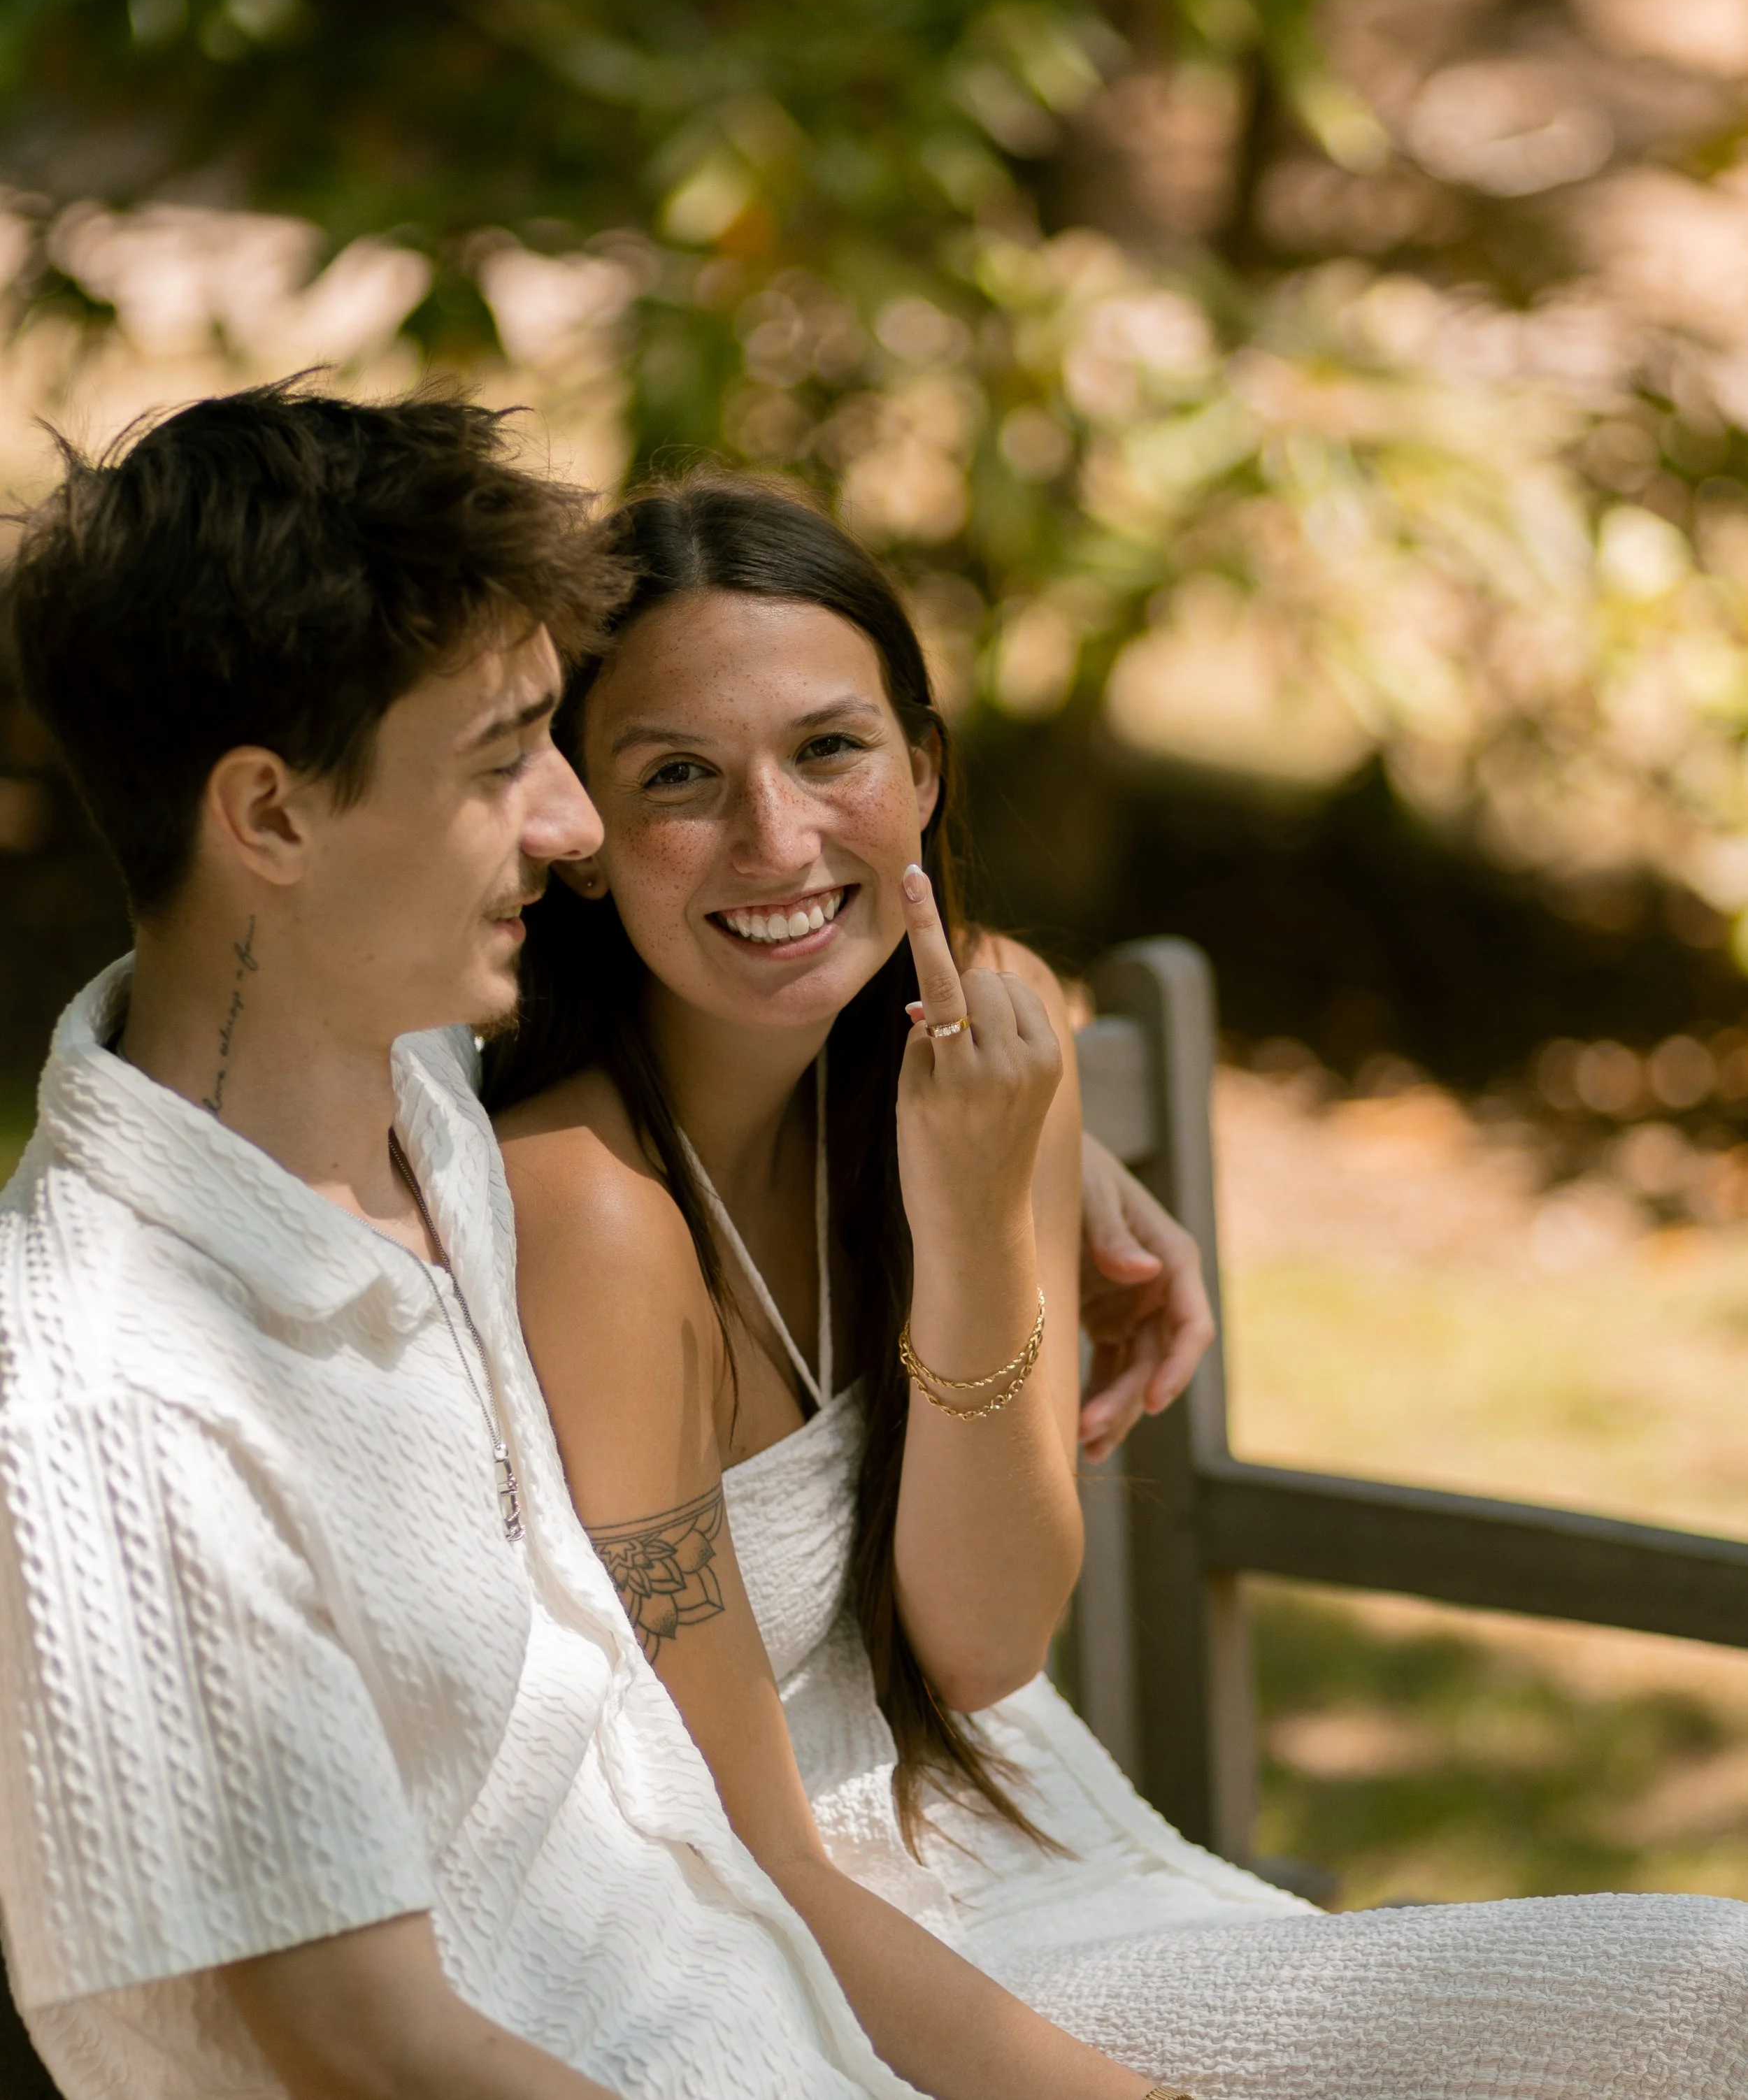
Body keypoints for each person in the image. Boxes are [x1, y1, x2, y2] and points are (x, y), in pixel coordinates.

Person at [489, 471, 1748, 2100]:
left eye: (829, 749)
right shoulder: (585, 1209)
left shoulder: (987, 1040)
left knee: (1712, 1992)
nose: (777, 837)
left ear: (922, 772)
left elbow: (984, 1645)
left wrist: (972, 1211)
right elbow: (738, 1860)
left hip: (1036, 1864)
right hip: (763, 1969)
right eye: (677, 776)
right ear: (579, 840)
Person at [0, 386, 1165, 2100]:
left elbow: (794, 918)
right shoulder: (125, 1404)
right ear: (269, 820)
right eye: (505, 766)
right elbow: (373, 2056)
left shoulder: (409, 1120)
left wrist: (1045, 1168)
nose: (567, 828)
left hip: (796, 2011)